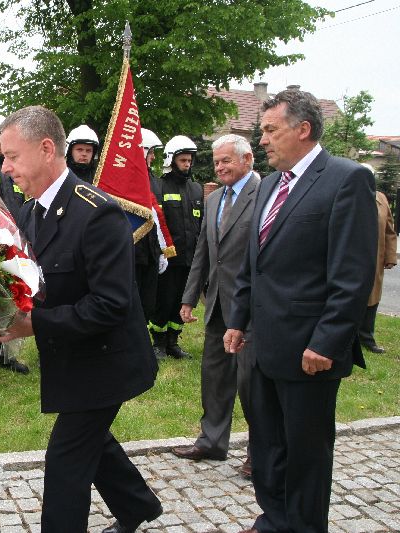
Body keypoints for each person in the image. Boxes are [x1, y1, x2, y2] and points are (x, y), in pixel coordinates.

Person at [0, 106, 161, 533]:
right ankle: (137, 506)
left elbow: (110, 304)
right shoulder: (30, 212)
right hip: (71, 357)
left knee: (66, 458)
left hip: (107, 362)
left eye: (12, 157)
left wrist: (33, 325)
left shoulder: (97, 212)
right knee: (93, 442)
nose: (5, 168)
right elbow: (35, 282)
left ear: (47, 149)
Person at [223, 89, 377, 533]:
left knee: (306, 453)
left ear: (303, 129)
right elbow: (255, 261)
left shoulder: (346, 179)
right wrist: (238, 319)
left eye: (271, 130)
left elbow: (352, 274)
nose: (262, 140)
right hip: (264, 344)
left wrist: (327, 342)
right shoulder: (270, 184)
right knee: (267, 445)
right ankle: (274, 520)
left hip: (310, 351)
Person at [171, 134, 259, 478]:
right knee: (215, 377)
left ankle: (259, 452)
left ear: (247, 159)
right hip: (218, 304)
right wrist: (189, 297)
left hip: (251, 306)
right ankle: (212, 441)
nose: (219, 168)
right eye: (216, 161)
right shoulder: (214, 199)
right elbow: (203, 253)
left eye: (226, 161)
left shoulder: (264, 194)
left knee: (251, 382)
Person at [0, 114, 30, 375]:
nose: (0, 147)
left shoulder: (16, 170)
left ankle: (8, 354)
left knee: (16, 297)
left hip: (17, 242)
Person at [150, 135, 203, 359]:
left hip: (190, 260)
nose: (187, 164)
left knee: (181, 301)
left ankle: (173, 341)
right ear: (171, 160)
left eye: (189, 160)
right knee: (164, 300)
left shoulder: (197, 189)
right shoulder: (159, 186)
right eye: (183, 160)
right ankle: (159, 343)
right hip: (168, 260)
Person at [134, 128, 168, 349]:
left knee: (147, 302)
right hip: (132, 253)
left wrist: (161, 250)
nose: (154, 157)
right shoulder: (125, 181)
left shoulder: (151, 180)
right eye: (151, 152)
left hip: (150, 251)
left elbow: (156, 217)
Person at [358, 163, 397, 354]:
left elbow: (389, 230)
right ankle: (347, 338)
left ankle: (367, 338)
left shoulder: (380, 198)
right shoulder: (348, 195)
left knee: (372, 299)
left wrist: (390, 256)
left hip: (375, 258)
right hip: (352, 259)